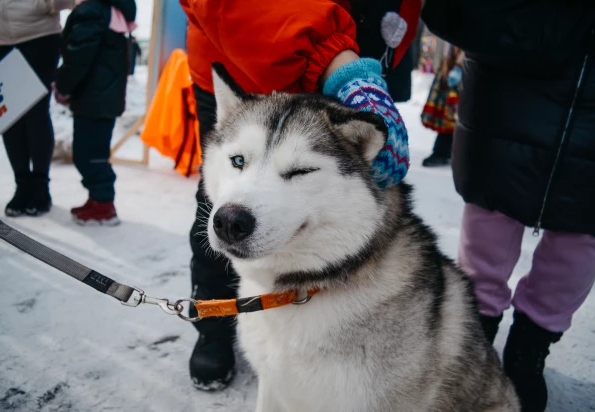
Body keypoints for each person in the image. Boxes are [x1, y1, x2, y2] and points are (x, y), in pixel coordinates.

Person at [180, 0, 420, 391]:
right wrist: (334, 57)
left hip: (354, 57)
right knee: (228, 206)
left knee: (335, 210)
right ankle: (214, 325)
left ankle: (323, 323)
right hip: (243, 51)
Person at [422, 1, 595, 411]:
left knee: (583, 233)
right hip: (509, 87)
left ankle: (529, 349)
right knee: (491, 216)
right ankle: (473, 335)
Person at [54, 0, 137, 226]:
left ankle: (103, 205)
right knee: (94, 151)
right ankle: (97, 198)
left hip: (93, 97)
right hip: (103, 97)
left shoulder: (92, 11)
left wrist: (63, 86)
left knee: (88, 154)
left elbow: (78, 55)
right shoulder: (112, 13)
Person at [0, 0, 75, 217]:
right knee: (8, 115)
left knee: (36, 112)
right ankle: (22, 184)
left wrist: (40, 3)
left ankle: (40, 186)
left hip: (38, 38)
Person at [420, 44, 464, 167]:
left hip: (461, 67)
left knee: (454, 113)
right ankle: (446, 151)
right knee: (448, 112)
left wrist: (459, 65)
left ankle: (445, 151)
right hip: (451, 65)